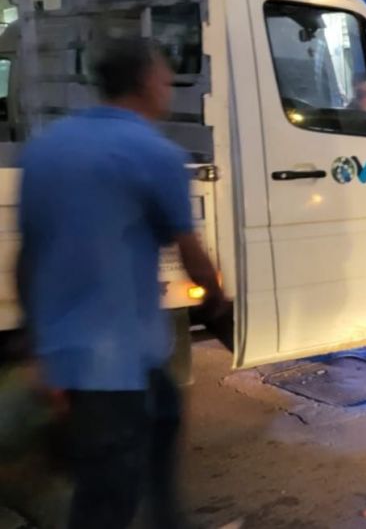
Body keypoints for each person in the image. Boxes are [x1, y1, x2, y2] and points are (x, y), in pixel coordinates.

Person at [16, 39, 225, 529]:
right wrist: (216, 297)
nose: (169, 86)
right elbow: (189, 252)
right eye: (165, 77)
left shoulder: (45, 149)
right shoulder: (156, 154)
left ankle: (168, 519)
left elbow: (28, 257)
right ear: (148, 82)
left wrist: (37, 341)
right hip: (115, 363)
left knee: (164, 416)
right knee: (107, 499)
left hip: (78, 354)